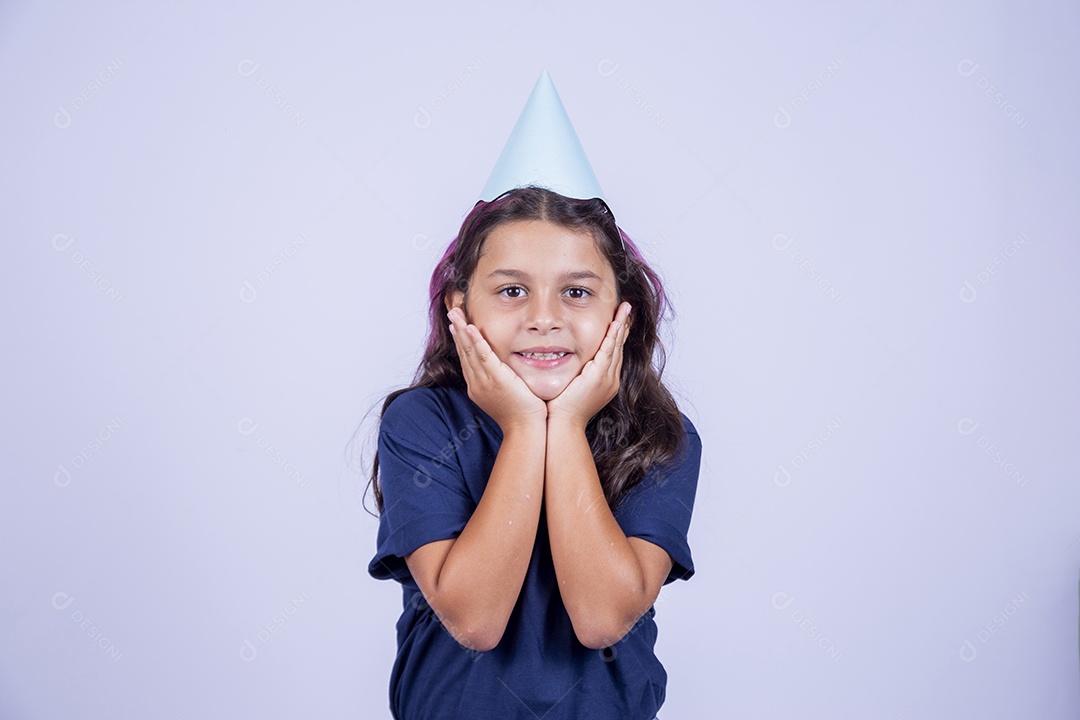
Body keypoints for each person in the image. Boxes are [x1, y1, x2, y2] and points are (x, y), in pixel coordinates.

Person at [366, 184, 701, 720]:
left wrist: (565, 425)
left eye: (576, 292)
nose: (543, 318)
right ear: (460, 308)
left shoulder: (660, 436)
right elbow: (474, 620)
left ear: (623, 313)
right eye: (512, 291)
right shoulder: (423, 424)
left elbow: (601, 619)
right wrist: (524, 427)